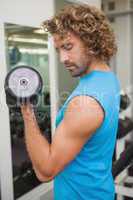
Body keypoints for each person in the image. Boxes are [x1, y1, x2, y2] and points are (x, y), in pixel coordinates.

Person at [21, 3, 120, 200]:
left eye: (68, 47)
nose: (62, 58)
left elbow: (45, 171)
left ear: (92, 42)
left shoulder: (86, 103)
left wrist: (26, 111)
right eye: (59, 50)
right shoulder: (108, 78)